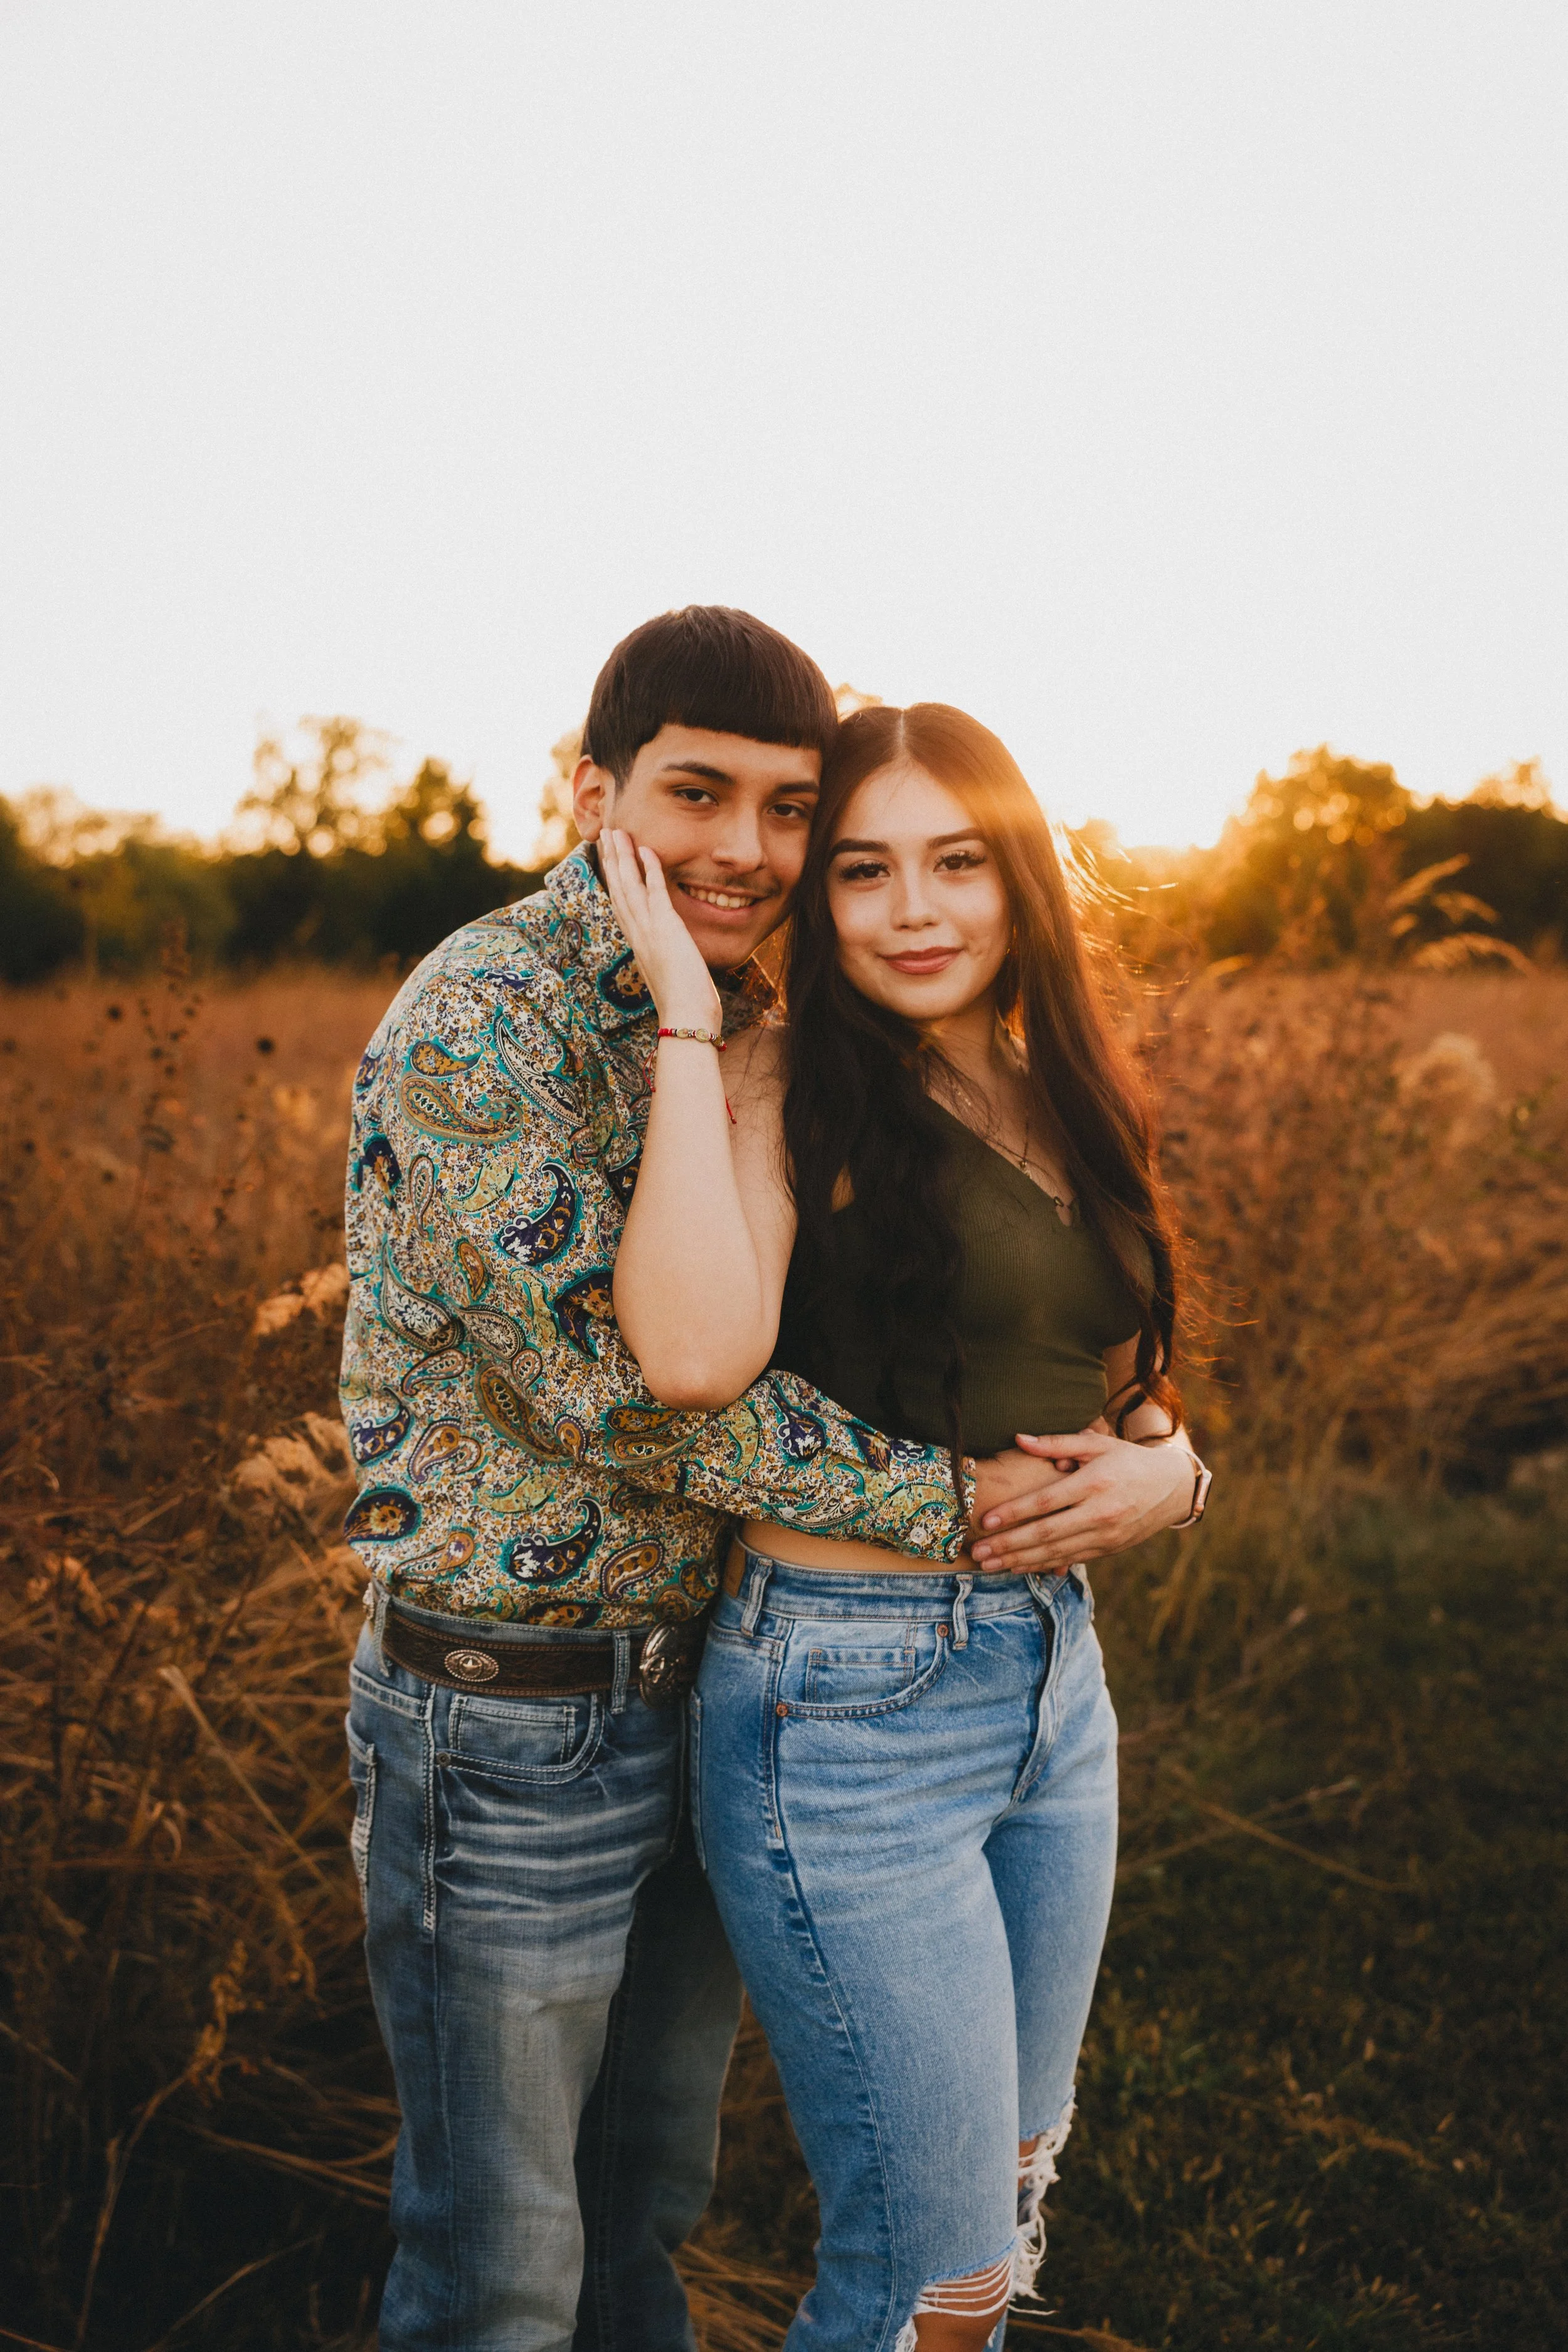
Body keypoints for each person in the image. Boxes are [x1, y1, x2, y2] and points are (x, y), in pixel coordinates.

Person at [339, 617, 1069, 2352]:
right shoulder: (478, 1022)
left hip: (721, 1699)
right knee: (498, 2269)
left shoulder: (780, 1014)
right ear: (590, 790)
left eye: (786, 805)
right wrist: (969, 1505)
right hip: (506, 1724)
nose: (742, 847)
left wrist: (1152, 1451)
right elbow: (632, 1400)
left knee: (639, 2223)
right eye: (693, 793)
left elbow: (919, 1298)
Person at [601, 699, 1210, 2352]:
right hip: (843, 1708)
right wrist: (683, 1021)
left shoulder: (1047, 1080)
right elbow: (692, 1356)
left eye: (956, 861)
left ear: (1020, 877)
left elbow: (1102, 1364)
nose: (914, 907)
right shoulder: (787, 1080)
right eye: (863, 869)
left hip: (1045, 1690)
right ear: (819, 899)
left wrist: (1172, 1467)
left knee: (1003, 2206)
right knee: (919, 2278)